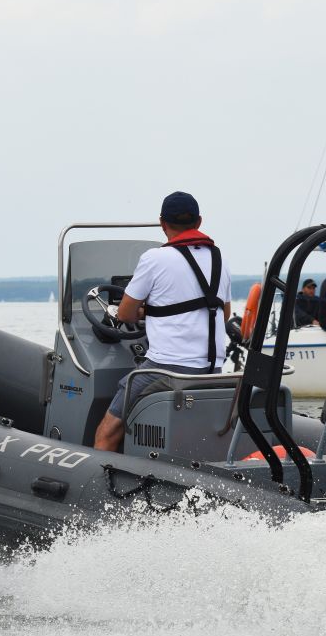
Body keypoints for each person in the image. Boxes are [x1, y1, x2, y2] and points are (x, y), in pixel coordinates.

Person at [94, 191, 231, 452]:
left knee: (107, 431)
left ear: (162, 222)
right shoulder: (218, 259)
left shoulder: (154, 259)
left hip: (166, 370)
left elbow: (124, 314)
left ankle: (98, 485)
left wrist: (147, 312)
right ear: (199, 222)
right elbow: (222, 314)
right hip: (213, 370)